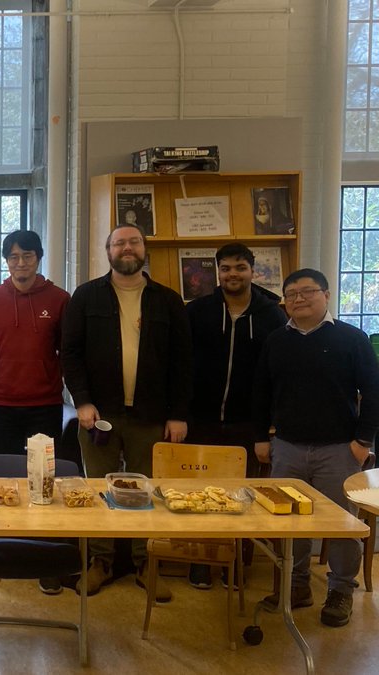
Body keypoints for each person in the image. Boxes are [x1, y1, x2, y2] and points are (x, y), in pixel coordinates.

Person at [61, 224, 191, 601]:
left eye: (134, 242)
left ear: (144, 249)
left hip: (152, 416)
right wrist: (82, 401)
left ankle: (145, 563)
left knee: (146, 492)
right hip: (98, 414)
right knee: (100, 489)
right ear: (108, 251)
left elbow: (184, 363)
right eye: (120, 243)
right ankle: (100, 561)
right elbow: (70, 354)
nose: (127, 248)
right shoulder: (85, 297)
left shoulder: (167, 301)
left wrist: (179, 413)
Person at [253, 268, 379, 628]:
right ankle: (296, 586)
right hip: (287, 447)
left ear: (325, 295)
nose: (298, 299)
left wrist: (363, 442)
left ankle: (340, 590)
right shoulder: (276, 340)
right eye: (291, 294)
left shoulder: (352, 340)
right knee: (289, 522)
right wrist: (262, 437)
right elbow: (261, 392)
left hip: (339, 449)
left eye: (307, 292)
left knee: (342, 525)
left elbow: (373, 393)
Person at [185, 243, 286, 589]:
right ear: (217, 272)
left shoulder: (273, 314)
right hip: (202, 420)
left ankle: (237, 565)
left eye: (240, 267)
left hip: (248, 422)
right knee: (199, 495)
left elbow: (276, 375)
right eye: (226, 268)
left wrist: (266, 427)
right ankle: (200, 561)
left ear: (253, 271)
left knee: (241, 497)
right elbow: (180, 367)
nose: (233, 274)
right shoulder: (197, 311)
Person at [0, 229, 70, 455]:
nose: (20, 263)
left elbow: (66, 348)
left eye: (27, 256)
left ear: (38, 258)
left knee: (43, 472)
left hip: (46, 403)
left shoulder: (59, 299)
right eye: (13, 257)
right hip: (2, 402)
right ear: (7, 261)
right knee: (6, 472)